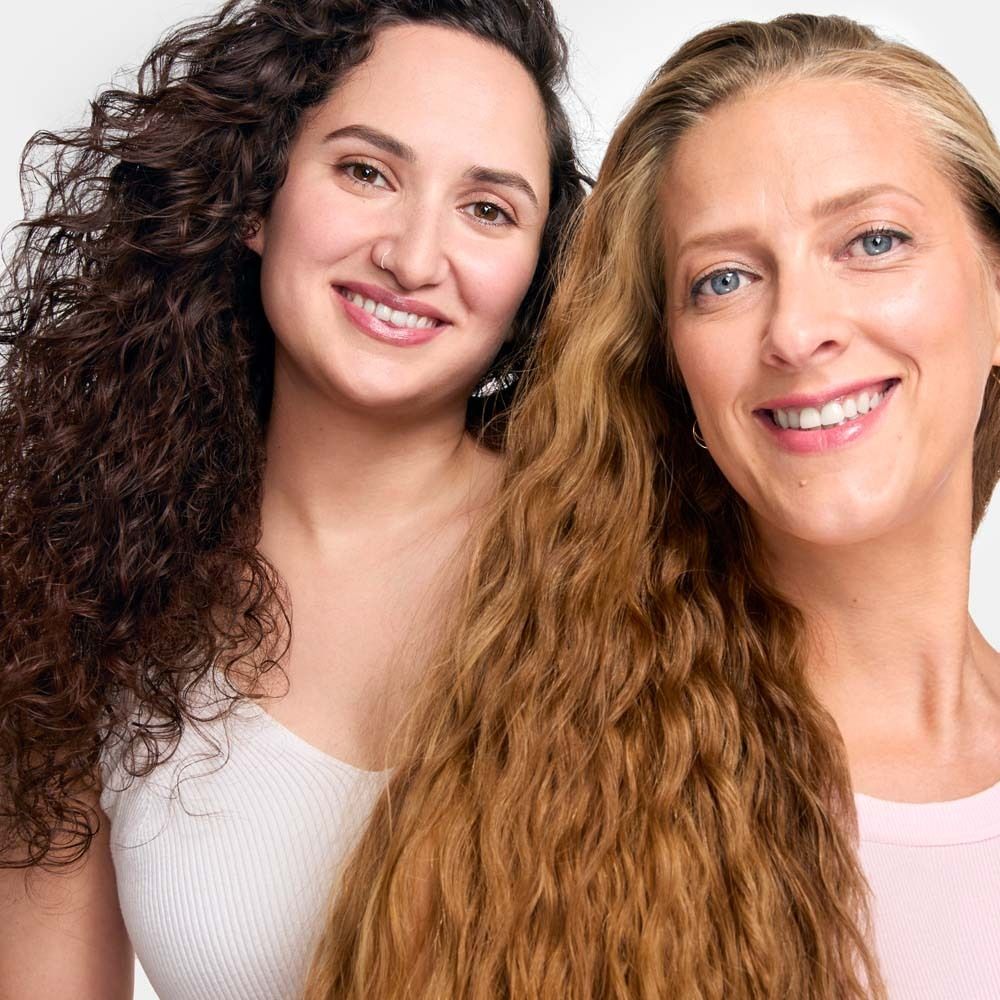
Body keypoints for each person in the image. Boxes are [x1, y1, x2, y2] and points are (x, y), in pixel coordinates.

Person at [307, 14, 1000, 999]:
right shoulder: (528, 810)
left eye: (872, 240)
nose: (797, 329)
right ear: (673, 367)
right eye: (722, 278)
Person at [0, 1, 586, 997]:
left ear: (537, 274)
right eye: (366, 172)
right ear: (255, 197)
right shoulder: (84, 574)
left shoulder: (614, 557)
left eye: (487, 207)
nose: (411, 255)